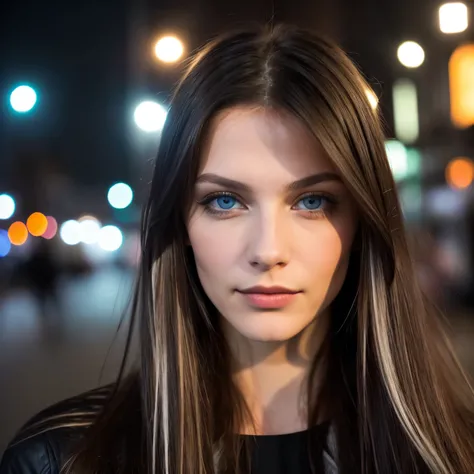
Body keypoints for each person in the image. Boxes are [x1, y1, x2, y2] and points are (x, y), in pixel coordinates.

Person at [1, 24, 474, 474]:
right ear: (180, 220)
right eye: (224, 201)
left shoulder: (455, 451)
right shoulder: (60, 461)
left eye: (313, 201)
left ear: (363, 221)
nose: (268, 250)